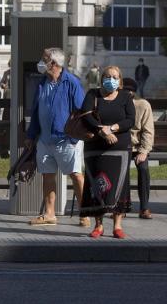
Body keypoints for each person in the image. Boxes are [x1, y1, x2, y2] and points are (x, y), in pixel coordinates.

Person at [25, 48, 89, 228]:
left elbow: (81, 111)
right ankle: (49, 213)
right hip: (45, 140)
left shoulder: (71, 82)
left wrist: (75, 137)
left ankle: (85, 212)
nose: (41, 61)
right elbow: (36, 111)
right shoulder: (42, 82)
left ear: (53, 63)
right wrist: (31, 135)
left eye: (44, 59)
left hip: (67, 140)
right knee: (47, 176)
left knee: (76, 175)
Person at [80, 66, 135, 239]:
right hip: (96, 148)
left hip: (119, 149)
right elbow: (86, 116)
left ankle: (117, 226)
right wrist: (101, 130)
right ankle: (99, 225)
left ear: (120, 80)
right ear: (101, 78)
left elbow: (130, 120)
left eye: (115, 77)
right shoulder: (92, 94)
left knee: (119, 186)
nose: (111, 79)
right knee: (98, 185)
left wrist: (111, 129)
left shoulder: (126, 96)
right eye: (107, 76)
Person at [123, 78, 154, 219]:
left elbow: (148, 131)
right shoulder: (118, 104)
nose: (127, 93)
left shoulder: (143, 105)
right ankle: (122, 206)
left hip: (138, 147)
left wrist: (143, 151)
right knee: (122, 171)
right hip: (122, 147)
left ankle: (144, 208)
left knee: (143, 169)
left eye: (130, 90)